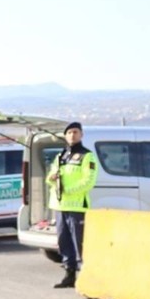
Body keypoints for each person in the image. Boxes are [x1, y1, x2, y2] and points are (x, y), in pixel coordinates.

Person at [47, 121, 99, 288]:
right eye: (69, 132)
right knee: (64, 242)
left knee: (80, 243)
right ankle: (69, 275)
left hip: (77, 206)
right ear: (65, 136)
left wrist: (68, 190)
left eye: (76, 132)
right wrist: (52, 179)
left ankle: (85, 276)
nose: (72, 135)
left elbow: (88, 181)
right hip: (60, 206)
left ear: (81, 135)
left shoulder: (87, 156)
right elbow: (49, 178)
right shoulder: (60, 156)